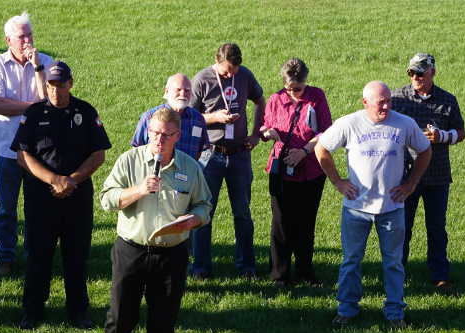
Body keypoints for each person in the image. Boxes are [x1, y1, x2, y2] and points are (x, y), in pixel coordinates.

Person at [100, 108, 212, 333]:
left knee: (163, 324)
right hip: (131, 250)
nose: (158, 141)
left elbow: (205, 204)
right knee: (120, 316)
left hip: (171, 255)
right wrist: (139, 190)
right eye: (154, 134)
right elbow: (107, 199)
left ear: (177, 136)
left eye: (166, 135)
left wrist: (195, 220)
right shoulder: (130, 161)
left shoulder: (189, 168)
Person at [315, 81, 432, 329]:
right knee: (351, 261)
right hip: (356, 209)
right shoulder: (349, 123)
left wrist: (411, 184)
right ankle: (347, 310)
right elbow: (322, 148)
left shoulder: (404, 123)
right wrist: (338, 182)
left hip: (392, 208)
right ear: (365, 102)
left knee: (393, 262)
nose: (386, 106)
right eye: (381, 102)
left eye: (389, 100)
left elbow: (425, 150)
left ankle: (394, 313)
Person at [10, 61, 111, 330]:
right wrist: (54, 180)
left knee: (76, 257)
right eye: (51, 85)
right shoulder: (33, 114)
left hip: (76, 198)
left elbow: (98, 154)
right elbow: (22, 155)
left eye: (61, 84)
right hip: (41, 198)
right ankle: (32, 311)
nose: (56, 90)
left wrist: (71, 181)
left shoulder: (86, 112)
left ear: (71, 83)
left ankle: (79, 312)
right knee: (38, 257)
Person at [0, 11, 53, 277]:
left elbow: (49, 104)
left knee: (38, 208)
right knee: (6, 207)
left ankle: (35, 257)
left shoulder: (45, 62)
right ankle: (5, 257)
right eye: (21, 36)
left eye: (30, 35)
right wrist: (31, 107)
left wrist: (37, 69)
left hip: (39, 151)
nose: (27, 41)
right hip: (7, 149)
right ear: (7, 40)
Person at [189, 42, 266, 278]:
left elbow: (260, 101)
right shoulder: (202, 79)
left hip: (239, 154)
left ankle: (246, 266)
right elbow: (189, 116)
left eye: (234, 70)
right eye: (226, 71)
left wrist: (255, 134)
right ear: (216, 61)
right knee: (204, 213)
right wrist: (214, 117)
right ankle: (201, 267)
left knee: (242, 213)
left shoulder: (244, 75)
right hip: (210, 154)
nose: (231, 75)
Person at [391, 53, 465, 291]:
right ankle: (397, 273)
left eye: (420, 73)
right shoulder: (397, 98)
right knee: (403, 227)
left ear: (433, 72)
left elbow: (461, 132)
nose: (415, 77)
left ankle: (440, 274)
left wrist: (443, 136)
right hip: (405, 176)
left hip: (437, 176)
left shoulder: (447, 100)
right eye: (411, 73)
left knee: (436, 228)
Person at [260, 58, 332, 287]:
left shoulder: (317, 97)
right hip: (280, 168)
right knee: (280, 222)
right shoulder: (275, 100)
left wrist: (303, 151)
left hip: (310, 169)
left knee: (305, 222)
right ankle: (279, 274)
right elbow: (265, 127)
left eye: (298, 88)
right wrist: (267, 133)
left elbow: (326, 132)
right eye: (290, 88)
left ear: (305, 81)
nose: (294, 93)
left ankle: (304, 272)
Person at [131, 73, 209, 159]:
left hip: (186, 170)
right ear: (167, 91)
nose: (183, 94)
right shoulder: (150, 117)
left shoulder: (198, 119)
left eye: (187, 90)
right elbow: (137, 149)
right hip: (156, 170)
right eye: (178, 90)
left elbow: (200, 150)